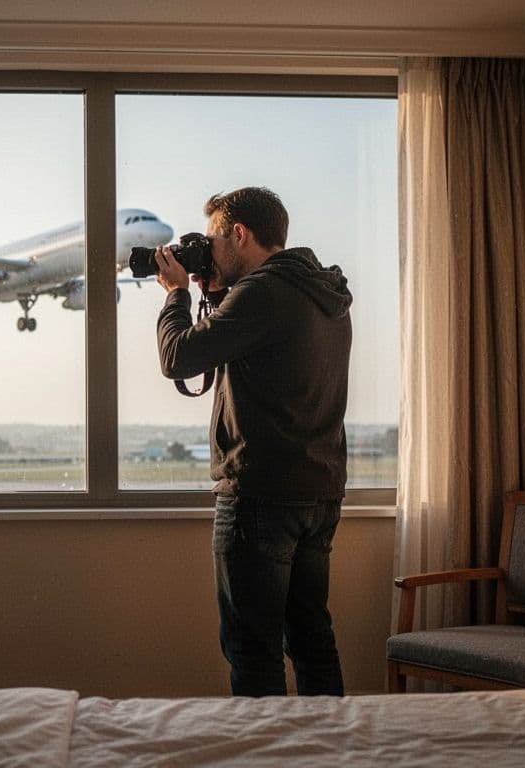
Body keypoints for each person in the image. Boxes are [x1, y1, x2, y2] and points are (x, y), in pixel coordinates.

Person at [153, 187, 352, 697]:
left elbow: (179, 358)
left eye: (215, 241)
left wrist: (176, 294)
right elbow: (261, 348)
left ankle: (265, 751)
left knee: (252, 648)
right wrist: (217, 294)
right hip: (319, 491)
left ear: (239, 234)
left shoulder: (264, 292)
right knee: (311, 637)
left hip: (260, 495)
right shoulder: (322, 292)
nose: (209, 251)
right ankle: (326, 749)